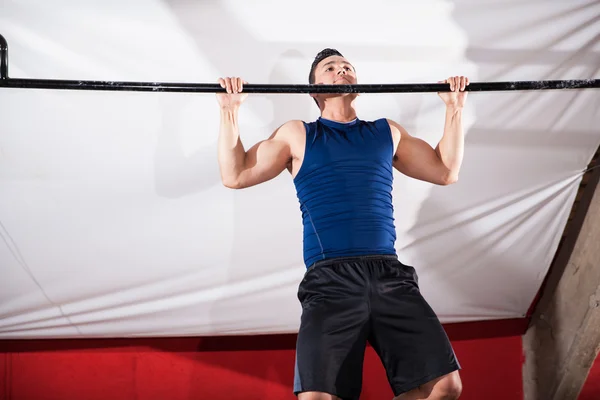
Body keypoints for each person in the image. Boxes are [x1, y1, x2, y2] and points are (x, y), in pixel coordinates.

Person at [216, 48, 468, 400]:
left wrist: (454, 108)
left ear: (358, 84)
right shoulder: (297, 134)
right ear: (315, 91)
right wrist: (230, 111)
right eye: (330, 68)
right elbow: (236, 174)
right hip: (330, 280)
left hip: (389, 275)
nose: (342, 70)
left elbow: (445, 171)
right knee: (317, 398)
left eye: (347, 67)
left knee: (445, 387)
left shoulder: (386, 132)